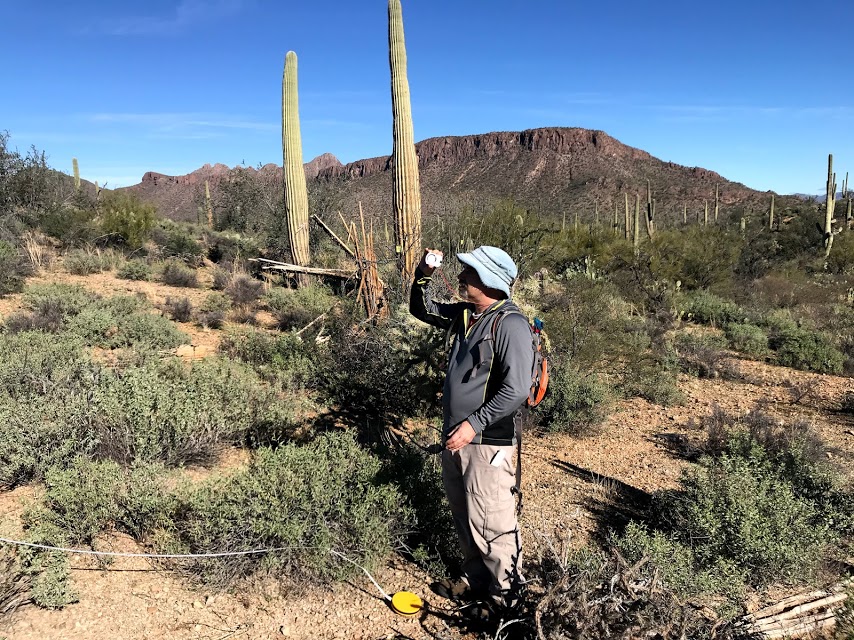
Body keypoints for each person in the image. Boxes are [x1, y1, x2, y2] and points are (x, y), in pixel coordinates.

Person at [409, 245, 534, 614]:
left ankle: (506, 605)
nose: (462, 277)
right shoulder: (467, 314)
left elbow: (517, 389)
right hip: (456, 436)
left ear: (491, 281)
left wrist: (473, 424)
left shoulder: (510, 324)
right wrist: (423, 275)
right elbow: (422, 309)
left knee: (493, 524)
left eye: (471, 273)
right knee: (465, 517)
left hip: (486, 442)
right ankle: (477, 585)